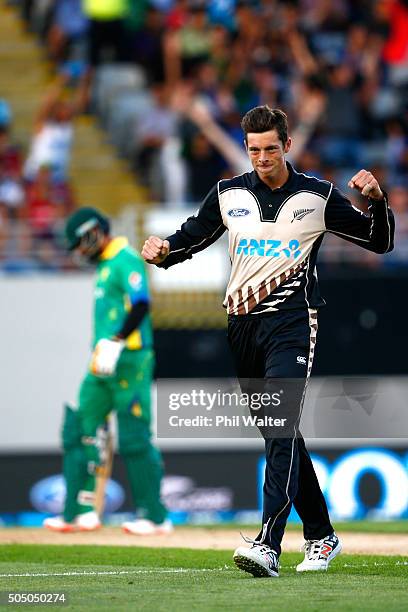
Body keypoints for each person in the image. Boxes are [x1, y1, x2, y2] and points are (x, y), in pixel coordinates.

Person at [141, 106, 394, 577]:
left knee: (278, 427)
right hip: (241, 326)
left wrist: (377, 201)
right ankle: (322, 536)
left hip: (294, 322)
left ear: (287, 145)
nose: (262, 158)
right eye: (254, 149)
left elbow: (379, 243)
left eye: (270, 149)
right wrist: (162, 252)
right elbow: (191, 238)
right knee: (282, 433)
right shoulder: (228, 194)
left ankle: (268, 545)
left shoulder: (317, 196)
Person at [44, 206, 171, 535]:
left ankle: (154, 517)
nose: (78, 252)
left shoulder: (124, 258)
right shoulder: (104, 265)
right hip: (102, 361)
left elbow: (142, 303)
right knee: (80, 429)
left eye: (79, 243)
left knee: (133, 437)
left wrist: (117, 340)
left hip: (131, 358)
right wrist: (106, 347)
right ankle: (79, 511)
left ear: (93, 232)